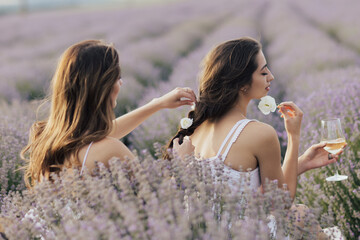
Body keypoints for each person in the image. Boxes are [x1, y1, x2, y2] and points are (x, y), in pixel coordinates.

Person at [165, 37, 343, 239]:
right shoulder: (259, 133)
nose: (272, 77)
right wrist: (293, 137)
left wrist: (300, 163)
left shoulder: (195, 128)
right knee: (300, 214)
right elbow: (281, 205)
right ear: (242, 84)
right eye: (264, 72)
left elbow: (246, 195)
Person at [21, 39, 196, 188]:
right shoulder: (110, 149)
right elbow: (157, 201)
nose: (121, 83)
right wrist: (183, 162)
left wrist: (156, 104)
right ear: (104, 86)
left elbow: (99, 135)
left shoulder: (46, 137)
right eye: (118, 77)